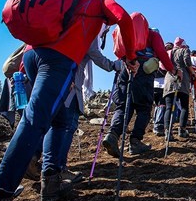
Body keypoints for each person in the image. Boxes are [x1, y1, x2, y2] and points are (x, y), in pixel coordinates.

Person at [0, 0, 137, 201]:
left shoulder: (74, 1)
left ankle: (51, 183)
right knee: (34, 121)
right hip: (58, 59)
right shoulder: (101, 0)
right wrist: (131, 57)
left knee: (59, 121)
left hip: (32, 55)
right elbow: (125, 18)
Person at [24, 35, 123, 183]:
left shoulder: (59, 20)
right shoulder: (88, 23)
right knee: (66, 124)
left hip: (39, 67)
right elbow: (94, 53)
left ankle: (32, 157)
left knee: (48, 120)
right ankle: (56, 170)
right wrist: (113, 65)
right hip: (68, 77)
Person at [103, 13, 179, 157]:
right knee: (144, 108)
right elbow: (162, 53)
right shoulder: (153, 35)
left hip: (126, 67)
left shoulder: (128, 32)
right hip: (143, 70)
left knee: (124, 106)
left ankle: (112, 135)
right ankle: (135, 141)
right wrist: (173, 70)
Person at [163, 37, 195, 139]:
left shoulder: (169, 52)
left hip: (169, 78)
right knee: (184, 106)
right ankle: (182, 130)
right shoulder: (185, 49)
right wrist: (192, 73)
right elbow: (187, 61)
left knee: (169, 107)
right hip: (183, 79)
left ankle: (168, 131)